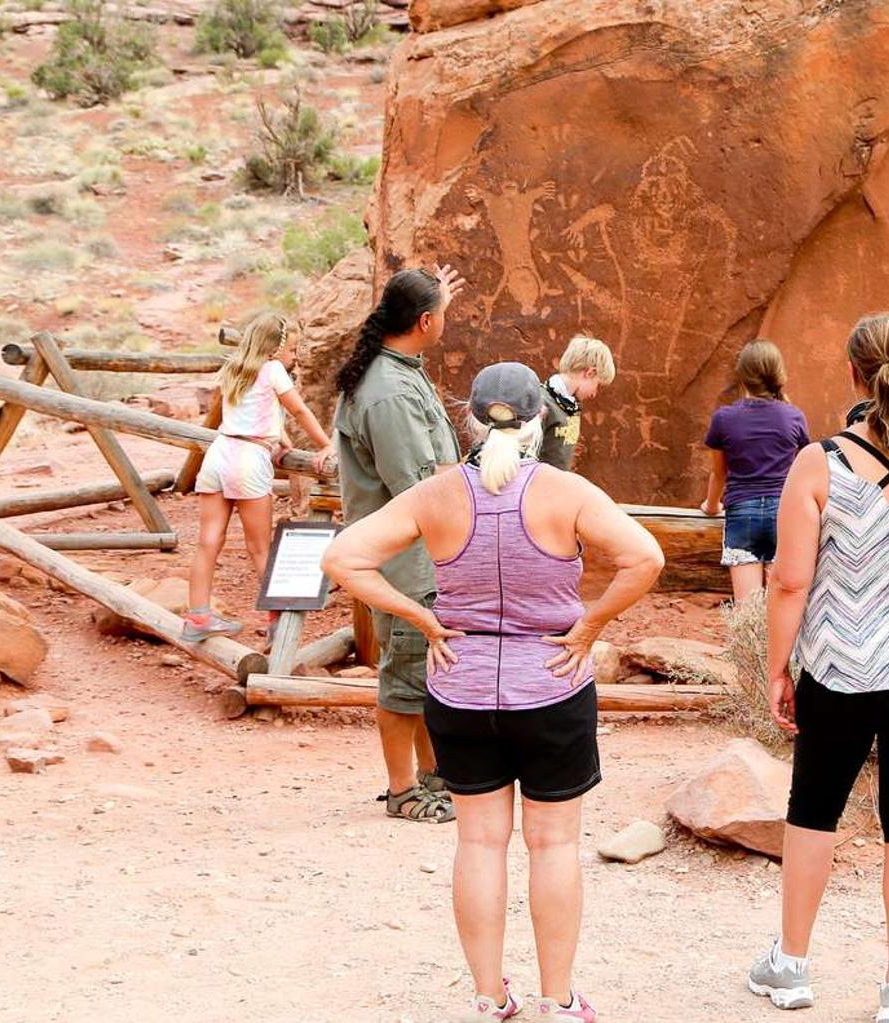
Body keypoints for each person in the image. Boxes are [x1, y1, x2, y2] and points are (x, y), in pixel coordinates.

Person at [323, 362, 663, 1023]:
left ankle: (489, 997)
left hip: (462, 684)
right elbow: (645, 556)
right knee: (555, 844)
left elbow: (343, 556)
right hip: (552, 685)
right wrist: (589, 625)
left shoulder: (438, 494)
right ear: (541, 419)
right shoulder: (565, 491)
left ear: (470, 418)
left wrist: (421, 616)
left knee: (479, 843)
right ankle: (559, 999)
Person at [745, 313, 889, 1023]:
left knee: (814, 808)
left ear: (852, 374)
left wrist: (778, 668)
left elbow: (789, 580)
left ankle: (791, 965)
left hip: (845, 663)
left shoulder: (820, 463)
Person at [333, 265, 466, 824]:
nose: (446, 323)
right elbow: (419, 485)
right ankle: (402, 789)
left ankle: (434, 777)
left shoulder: (400, 371)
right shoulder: (388, 392)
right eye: (443, 314)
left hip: (419, 556)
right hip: (406, 562)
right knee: (406, 671)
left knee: (427, 671)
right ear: (425, 321)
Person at [183, 311, 336, 642]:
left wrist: (280, 440)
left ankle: (197, 617)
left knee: (208, 541)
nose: (295, 357)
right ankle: (276, 622)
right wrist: (327, 445)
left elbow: (251, 412)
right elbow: (298, 410)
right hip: (248, 462)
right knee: (259, 548)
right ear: (274, 348)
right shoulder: (273, 370)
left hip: (219, 454)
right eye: (293, 350)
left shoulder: (236, 367)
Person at [701, 339, 812, 604]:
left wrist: (712, 505)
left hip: (742, 516)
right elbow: (804, 467)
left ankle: (748, 647)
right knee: (781, 605)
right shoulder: (793, 416)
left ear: (742, 374)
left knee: (747, 610)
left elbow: (719, 473)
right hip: (783, 515)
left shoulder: (723, 418)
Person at [538, 334, 616, 472]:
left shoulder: (571, 406)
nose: (594, 394)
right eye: (597, 385)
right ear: (590, 373)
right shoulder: (540, 402)